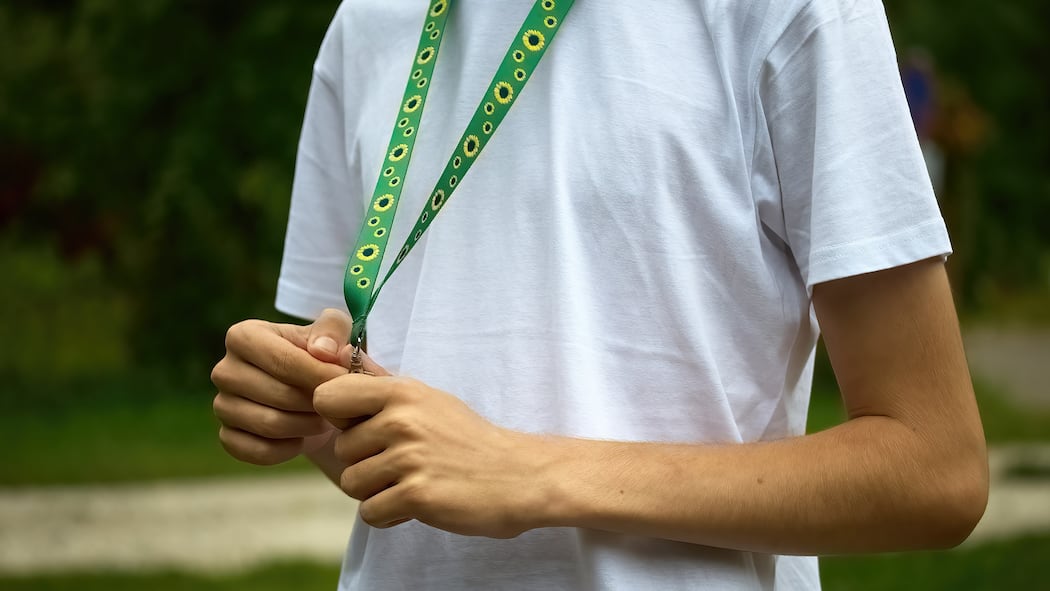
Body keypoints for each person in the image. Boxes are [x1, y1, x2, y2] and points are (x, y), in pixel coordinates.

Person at [210, 0, 989, 588]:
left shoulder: (790, 10)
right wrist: (305, 405)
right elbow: (395, 417)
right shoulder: (368, 21)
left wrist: (532, 473)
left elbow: (935, 467)